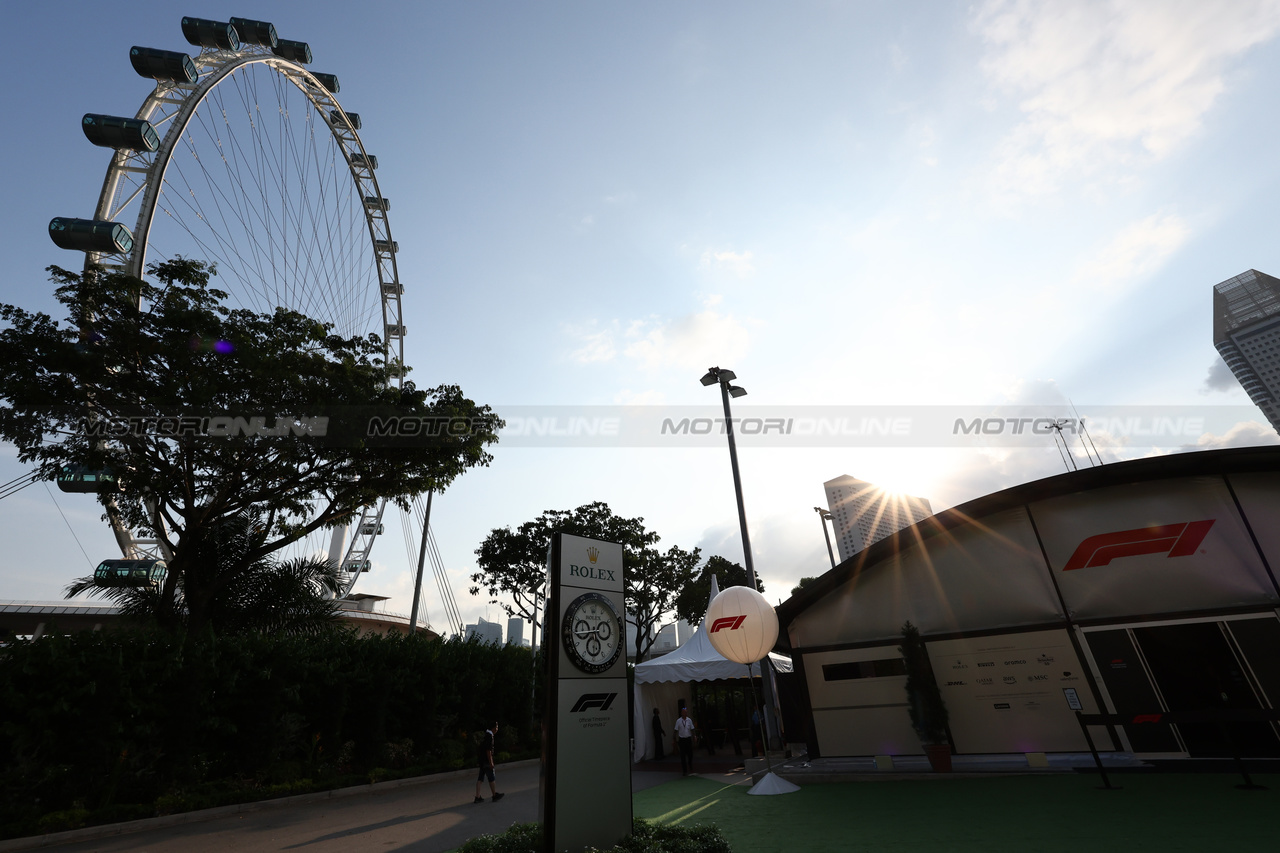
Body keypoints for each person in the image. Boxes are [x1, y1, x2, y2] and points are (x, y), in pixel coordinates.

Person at [474, 721, 504, 803]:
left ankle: (477, 796)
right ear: (494, 728)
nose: (497, 729)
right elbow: (489, 751)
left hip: (482, 760)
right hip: (487, 761)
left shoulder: (485, 735)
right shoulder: (490, 736)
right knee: (491, 778)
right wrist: (491, 762)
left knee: (480, 778)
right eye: (497, 727)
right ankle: (494, 795)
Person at [673, 706, 696, 775]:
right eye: (683, 712)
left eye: (686, 712)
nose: (685, 713)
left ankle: (690, 765)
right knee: (682, 756)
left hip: (688, 739)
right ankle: (684, 770)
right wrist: (674, 739)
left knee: (690, 754)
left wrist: (694, 736)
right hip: (682, 740)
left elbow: (692, 729)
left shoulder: (689, 720)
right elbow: (675, 730)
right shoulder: (678, 721)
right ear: (681, 713)